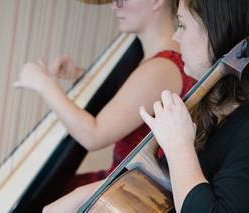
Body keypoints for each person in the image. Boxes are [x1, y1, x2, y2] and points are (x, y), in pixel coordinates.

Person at [43, 0, 249, 212]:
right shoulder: (211, 104)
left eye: (182, 25)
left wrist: (179, 147)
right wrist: (86, 194)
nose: (176, 37)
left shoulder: (243, 127)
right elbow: (163, 184)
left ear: (216, 32)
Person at [14, 0, 195, 194]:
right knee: (42, 192)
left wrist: (44, 84)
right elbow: (132, 98)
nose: (114, 6)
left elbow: (93, 136)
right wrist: (80, 75)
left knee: (39, 198)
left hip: (129, 192)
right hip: (124, 182)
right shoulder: (162, 60)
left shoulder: (160, 68)